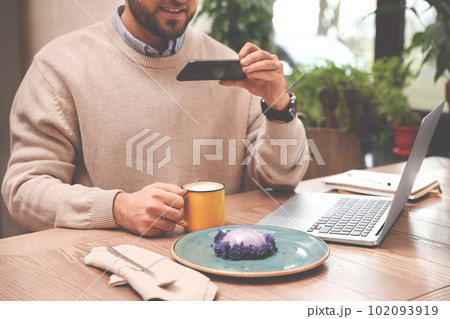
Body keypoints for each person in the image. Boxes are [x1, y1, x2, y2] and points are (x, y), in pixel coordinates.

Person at [2, 0, 308, 237]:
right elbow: (24, 190)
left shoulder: (231, 68)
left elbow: (280, 180)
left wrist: (279, 108)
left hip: (222, 266)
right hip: (106, 274)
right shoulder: (59, 65)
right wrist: (118, 208)